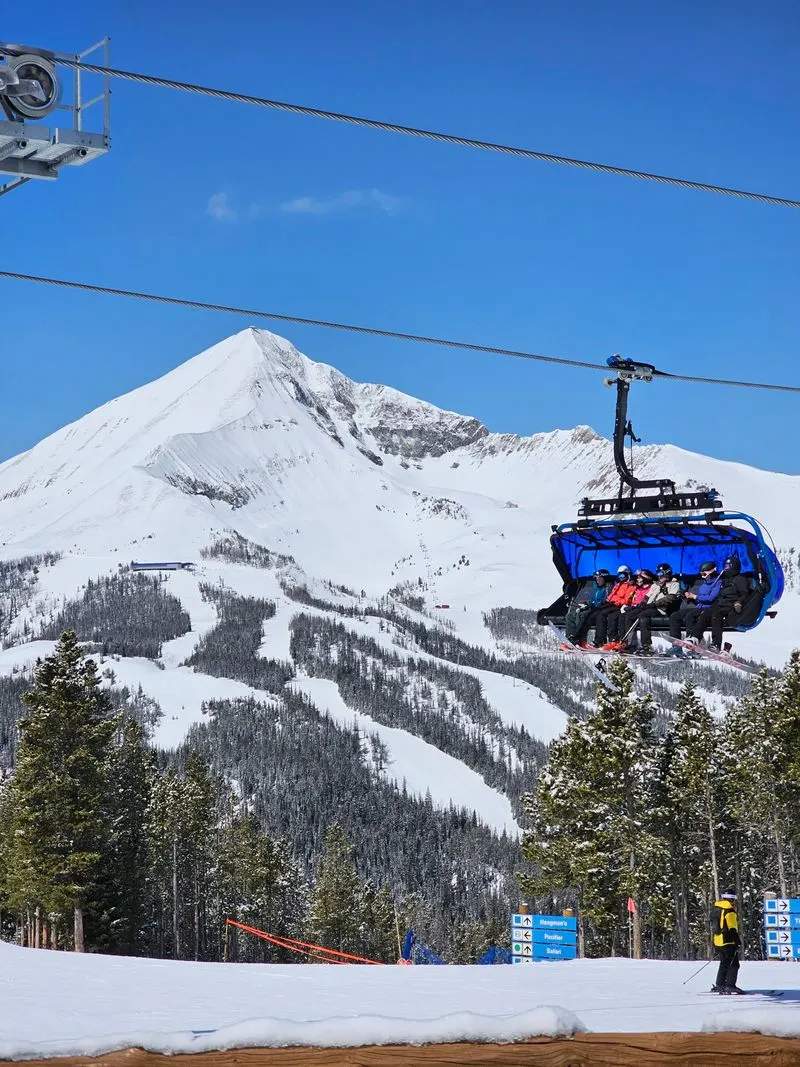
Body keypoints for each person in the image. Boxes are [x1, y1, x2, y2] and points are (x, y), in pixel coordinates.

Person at [688, 556, 751, 652]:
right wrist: (711, 607)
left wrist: (739, 602)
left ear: (734, 566)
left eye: (728, 566)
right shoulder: (726, 580)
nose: (726, 568)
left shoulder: (740, 579)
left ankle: (716, 644)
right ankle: (695, 637)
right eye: (725, 566)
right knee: (706, 613)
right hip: (721, 604)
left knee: (716, 615)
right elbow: (719, 596)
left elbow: (744, 594)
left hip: (731, 605)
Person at [615, 563, 681, 654]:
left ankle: (646, 645)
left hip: (660, 609)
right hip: (649, 607)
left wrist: (654, 604)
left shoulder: (674, 584)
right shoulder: (655, 585)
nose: (659, 576)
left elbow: (670, 598)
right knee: (627, 615)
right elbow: (647, 597)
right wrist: (641, 604)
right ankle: (628, 643)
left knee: (643, 615)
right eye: (657, 574)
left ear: (667, 574)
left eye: (661, 574)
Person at [667, 561, 723, 648]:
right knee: (674, 616)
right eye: (701, 574)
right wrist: (688, 596)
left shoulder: (718, 583)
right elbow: (699, 598)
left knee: (690, 615)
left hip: (708, 608)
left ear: (711, 572)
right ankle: (676, 645)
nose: (702, 576)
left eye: (704, 574)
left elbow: (711, 598)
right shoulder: (704, 584)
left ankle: (691, 640)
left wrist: (694, 596)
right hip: (698, 607)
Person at [562, 569, 610, 647]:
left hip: (600, 610)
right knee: (570, 616)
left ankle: (580, 639)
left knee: (582, 615)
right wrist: (586, 604)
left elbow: (604, 601)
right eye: (596, 578)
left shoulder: (607, 588)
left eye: (599, 578)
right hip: (592, 607)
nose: (597, 580)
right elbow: (592, 600)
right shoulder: (596, 588)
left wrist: (591, 605)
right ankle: (570, 638)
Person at [593, 565, 637, 647]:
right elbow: (611, 596)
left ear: (628, 575)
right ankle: (599, 640)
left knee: (612, 616)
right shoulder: (618, 585)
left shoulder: (631, 586)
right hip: (612, 605)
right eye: (619, 575)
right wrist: (607, 601)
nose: (620, 577)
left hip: (620, 606)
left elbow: (627, 600)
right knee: (600, 614)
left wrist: (615, 602)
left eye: (622, 575)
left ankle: (613, 639)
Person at [711, 891, 743, 994]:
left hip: (718, 940)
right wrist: (737, 941)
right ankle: (730, 985)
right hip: (728, 941)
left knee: (724, 963)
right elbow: (732, 928)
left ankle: (720, 984)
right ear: (731, 899)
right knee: (734, 964)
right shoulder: (729, 911)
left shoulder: (716, 908)